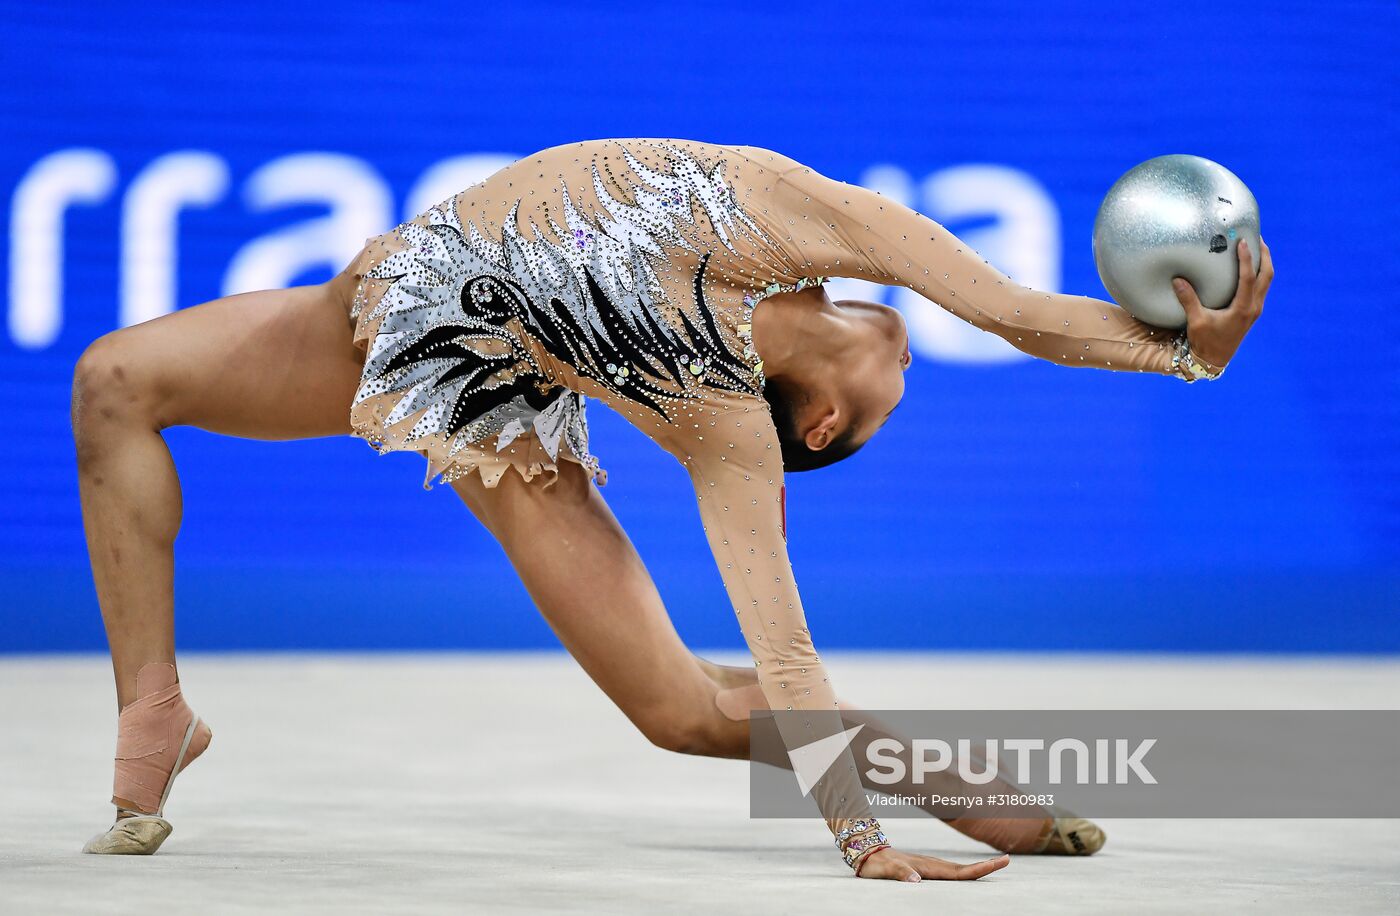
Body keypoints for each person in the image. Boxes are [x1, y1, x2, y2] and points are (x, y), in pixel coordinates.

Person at [71, 138, 1272, 879]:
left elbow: (783, 647)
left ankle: (954, 785)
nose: (908, 365)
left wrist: (859, 839)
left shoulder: (722, 423)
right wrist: (1184, 355)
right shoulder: (813, 222)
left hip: (490, 404)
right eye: (903, 394)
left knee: (687, 711)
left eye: (892, 405)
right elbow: (1012, 308)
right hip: (413, 297)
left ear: (816, 426)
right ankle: (155, 711)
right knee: (112, 379)